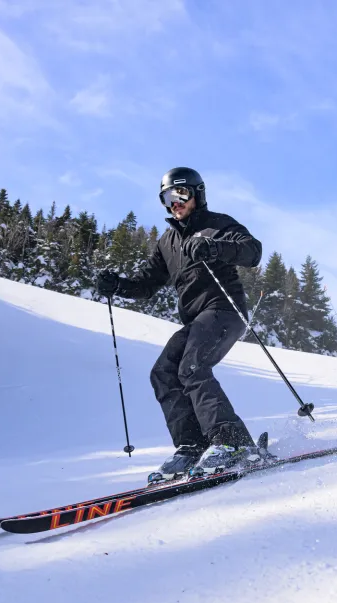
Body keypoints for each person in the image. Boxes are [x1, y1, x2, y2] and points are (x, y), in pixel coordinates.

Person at [95, 167, 265, 483]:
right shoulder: (168, 243)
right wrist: (117, 286)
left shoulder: (217, 225)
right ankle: (191, 446)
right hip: (196, 319)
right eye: (167, 198)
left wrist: (215, 248)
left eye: (180, 194)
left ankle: (234, 443)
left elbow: (252, 251)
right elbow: (147, 284)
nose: (174, 203)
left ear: (197, 194)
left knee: (193, 367)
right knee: (163, 371)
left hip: (224, 310)